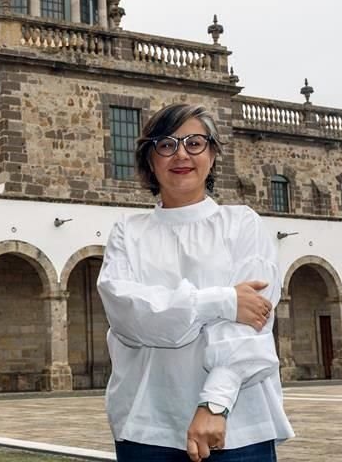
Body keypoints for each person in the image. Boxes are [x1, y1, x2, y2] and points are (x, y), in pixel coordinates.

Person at [97, 104, 294, 461]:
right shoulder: (128, 231)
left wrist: (214, 403)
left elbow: (253, 324)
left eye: (194, 142)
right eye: (166, 144)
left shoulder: (242, 224)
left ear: (213, 153)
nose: (181, 154)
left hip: (237, 423)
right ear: (150, 159)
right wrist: (222, 302)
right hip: (147, 423)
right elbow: (129, 316)